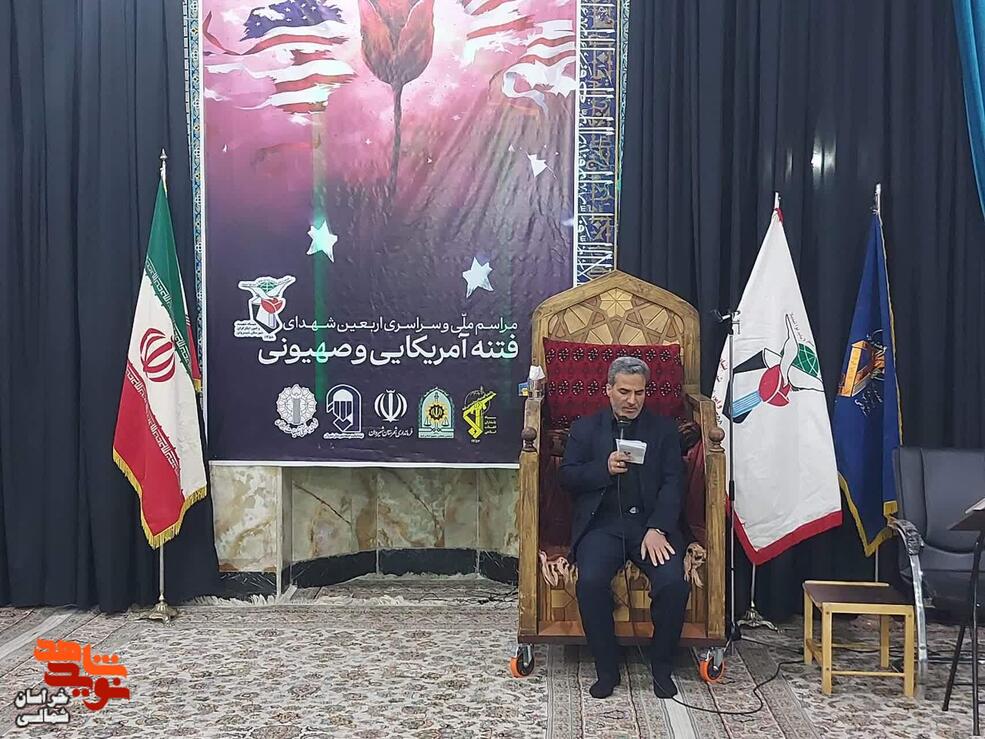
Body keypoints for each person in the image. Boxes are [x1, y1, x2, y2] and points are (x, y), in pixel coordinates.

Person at [559, 355, 689, 700]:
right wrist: (602, 469)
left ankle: (661, 667)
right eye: (624, 392)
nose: (632, 400)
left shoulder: (664, 430)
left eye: (639, 393)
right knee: (590, 582)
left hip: (649, 526)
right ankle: (607, 669)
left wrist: (658, 527)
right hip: (602, 526)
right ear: (608, 390)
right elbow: (568, 477)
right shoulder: (585, 429)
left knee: (673, 583)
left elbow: (674, 483)